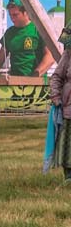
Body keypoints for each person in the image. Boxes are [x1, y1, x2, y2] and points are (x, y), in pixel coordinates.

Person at [0, 0, 53, 79]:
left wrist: (34, 76)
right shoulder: (9, 33)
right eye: (10, 15)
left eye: (15, 15)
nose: (12, 18)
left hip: (37, 82)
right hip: (15, 82)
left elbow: (50, 57)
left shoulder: (38, 29)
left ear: (26, 12)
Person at [50, 29, 71, 179]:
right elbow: (56, 77)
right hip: (69, 106)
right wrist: (56, 96)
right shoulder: (68, 54)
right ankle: (68, 176)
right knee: (68, 144)